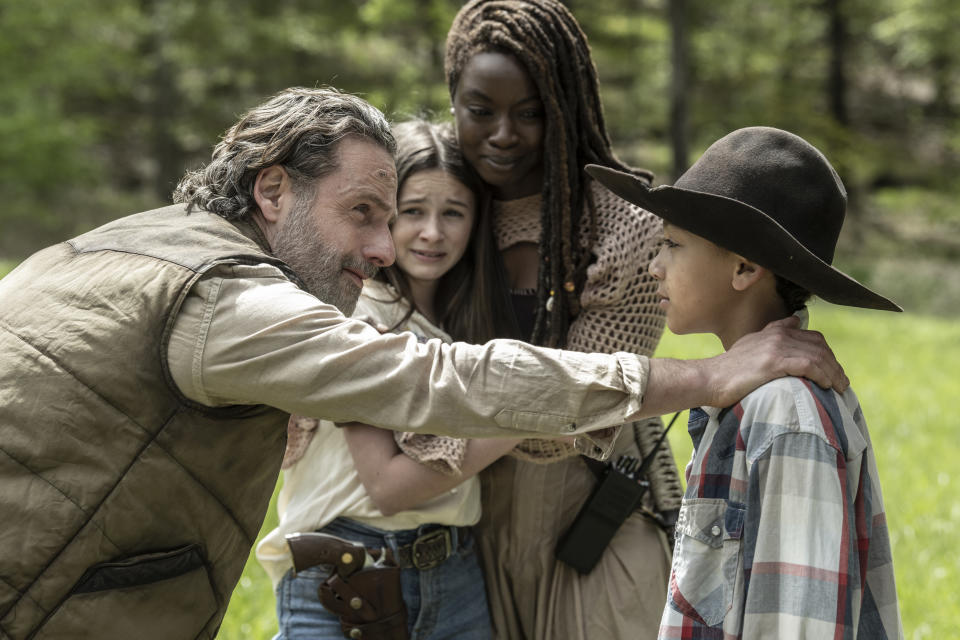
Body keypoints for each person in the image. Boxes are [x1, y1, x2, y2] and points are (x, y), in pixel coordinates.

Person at [0, 86, 846, 640]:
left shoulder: (137, 244)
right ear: (271, 192)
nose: (384, 246)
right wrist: (700, 379)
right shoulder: (226, 302)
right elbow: (441, 385)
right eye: (364, 213)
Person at [587, 126, 904, 638]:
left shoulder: (785, 415)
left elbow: (799, 621)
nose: (654, 266)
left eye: (672, 244)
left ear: (744, 267)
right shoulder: (747, 397)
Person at [444, 1, 682, 636]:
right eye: (481, 110)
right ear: (452, 102)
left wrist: (419, 439)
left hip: (595, 532)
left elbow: (576, 411)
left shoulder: (621, 227)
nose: (503, 134)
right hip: (467, 539)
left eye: (530, 113)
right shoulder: (434, 214)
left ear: (566, 109)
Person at [257, 119, 517, 640]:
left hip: (455, 573)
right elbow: (388, 488)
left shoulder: (462, 330)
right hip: (345, 579)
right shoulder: (357, 316)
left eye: (454, 213)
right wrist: (527, 416)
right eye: (413, 211)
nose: (432, 233)